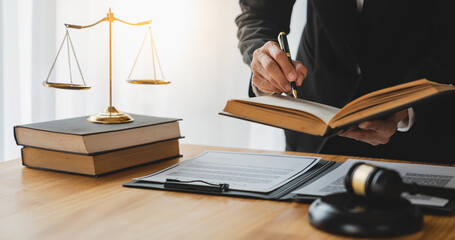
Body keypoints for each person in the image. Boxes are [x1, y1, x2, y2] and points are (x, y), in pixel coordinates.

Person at [235, 0, 455, 163]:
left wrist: (407, 107)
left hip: (422, 141)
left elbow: (447, 43)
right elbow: (259, 14)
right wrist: (263, 55)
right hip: (314, 129)